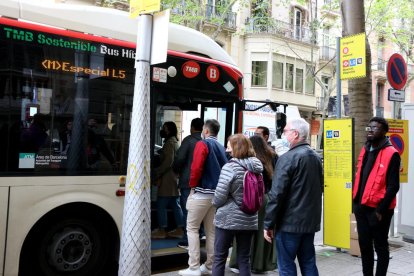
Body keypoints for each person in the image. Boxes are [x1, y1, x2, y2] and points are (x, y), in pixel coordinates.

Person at [264, 118, 323, 276]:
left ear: (295, 134)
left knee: (286, 265)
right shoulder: (315, 157)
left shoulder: (288, 158)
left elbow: (277, 194)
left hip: (289, 223)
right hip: (309, 222)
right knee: (308, 262)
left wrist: (268, 223)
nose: (284, 134)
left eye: (285, 131)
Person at [179, 119, 228, 276]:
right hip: (216, 196)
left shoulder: (203, 144)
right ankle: (209, 266)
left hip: (200, 193)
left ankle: (193, 267)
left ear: (206, 131)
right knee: (211, 232)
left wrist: (192, 186)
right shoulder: (221, 147)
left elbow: (196, 168)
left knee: (192, 229)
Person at [353, 117, 400, 276]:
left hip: (379, 210)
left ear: (384, 132)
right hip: (361, 207)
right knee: (364, 246)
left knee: (380, 247)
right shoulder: (365, 149)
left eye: (376, 128)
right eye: (369, 127)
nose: (371, 130)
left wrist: (380, 211)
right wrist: (356, 203)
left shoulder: (391, 153)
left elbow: (393, 186)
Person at [212, 134, 263, 276]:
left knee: (219, 257)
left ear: (236, 147)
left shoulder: (230, 167)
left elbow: (220, 196)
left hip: (228, 219)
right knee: (244, 258)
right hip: (250, 218)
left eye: (229, 146)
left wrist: (214, 203)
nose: (227, 149)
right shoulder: (257, 168)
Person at [229, 135, 278, 273]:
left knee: (245, 231)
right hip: (268, 198)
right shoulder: (273, 156)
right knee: (263, 232)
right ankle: (260, 264)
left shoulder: (250, 160)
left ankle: (241, 263)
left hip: (252, 198)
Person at [172, 118, 204, 248]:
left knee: (188, 210)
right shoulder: (205, 142)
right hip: (202, 183)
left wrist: (176, 170)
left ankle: (187, 239)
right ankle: (200, 233)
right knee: (199, 210)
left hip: (188, 181)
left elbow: (179, 158)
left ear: (192, 128)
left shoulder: (189, 140)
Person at [151, 121, 185, 239]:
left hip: (167, 178)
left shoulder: (170, 143)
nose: (162, 130)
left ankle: (162, 229)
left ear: (169, 130)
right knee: (176, 204)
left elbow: (168, 162)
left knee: (161, 204)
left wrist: (157, 172)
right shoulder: (174, 142)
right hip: (173, 178)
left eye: (164, 128)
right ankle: (180, 228)